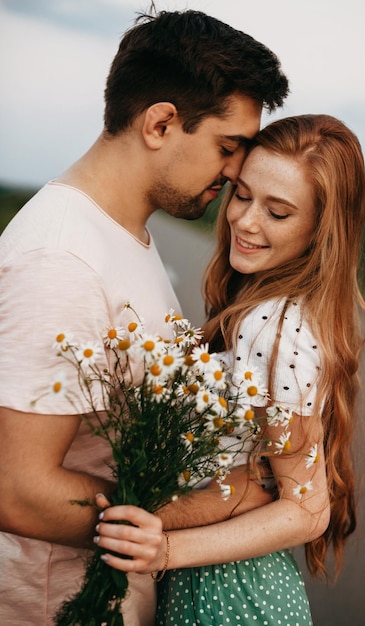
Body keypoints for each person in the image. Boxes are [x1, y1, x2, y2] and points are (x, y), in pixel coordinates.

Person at [0, 8, 289, 625]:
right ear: (161, 122)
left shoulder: (120, 232)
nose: (236, 170)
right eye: (228, 146)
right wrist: (205, 510)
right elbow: (18, 492)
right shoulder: (60, 259)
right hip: (60, 604)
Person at [94, 114, 365, 625]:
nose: (245, 221)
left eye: (279, 212)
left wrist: (165, 552)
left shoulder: (274, 326)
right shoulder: (269, 307)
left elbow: (308, 509)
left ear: (320, 229)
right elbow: (253, 467)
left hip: (232, 596)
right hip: (229, 579)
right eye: (242, 195)